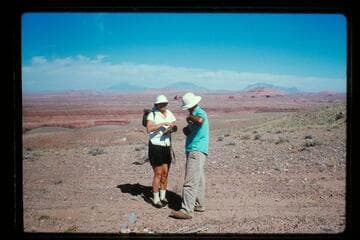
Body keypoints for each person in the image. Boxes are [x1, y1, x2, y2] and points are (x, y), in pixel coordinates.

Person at [170, 92, 209, 219]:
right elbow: (189, 131)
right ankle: (199, 204)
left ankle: (187, 210)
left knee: (190, 181)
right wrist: (187, 128)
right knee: (198, 179)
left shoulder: (199, 113)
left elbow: (200, 120)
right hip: (197, 150)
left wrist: (190, 119)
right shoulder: (194, 115)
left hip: (196, 150)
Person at [146, 95, 177, 208]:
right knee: (158, 173)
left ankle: (163, 197)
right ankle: (156, 199)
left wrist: (172, 128)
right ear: (157, 104)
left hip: (166, 146)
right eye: (161, 103)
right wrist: (161, 125)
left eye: (165, 103)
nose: (163, 105)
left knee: (165, 173)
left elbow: (173, 124)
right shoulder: (152, 114)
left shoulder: (169, 113)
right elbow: (149, 129)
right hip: (156, 147)